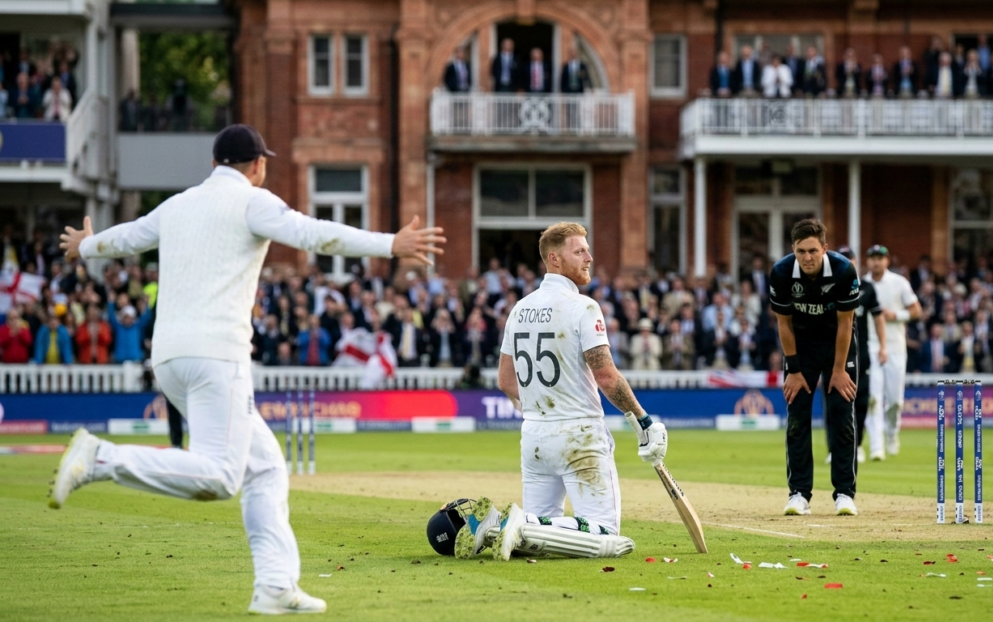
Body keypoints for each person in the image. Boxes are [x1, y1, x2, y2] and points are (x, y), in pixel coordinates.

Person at [50, 123, 445, 615]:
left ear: (214, 163)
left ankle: (276, 585)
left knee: (266, 468)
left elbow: (125, 239)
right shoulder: (252, 202)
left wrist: (86, 245)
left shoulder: (178, 205)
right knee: (220, 477)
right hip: (216, 357)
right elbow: (314, 234)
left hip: (169, 359)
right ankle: (101, 458)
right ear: (258, 165)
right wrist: (390, 244)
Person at [440, 222, 666, 563]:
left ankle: (500, 525)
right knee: (605, 534)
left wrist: (538, 406)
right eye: (580, 251)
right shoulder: (583, 307)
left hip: (534, 436)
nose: (589, 257)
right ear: (555, 259)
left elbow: (505, 380)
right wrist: (644, 421)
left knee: (536, 542)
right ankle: (503, 522)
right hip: (579, 434)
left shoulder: (519, 308)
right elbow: (606, 376)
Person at [769, 218, 860, 517]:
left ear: (824, 248)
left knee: (842, 416)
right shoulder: (781, 272)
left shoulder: (844, 270)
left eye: (812, 251)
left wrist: (839, 370)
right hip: (801, 347)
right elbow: (784, 324)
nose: (807, 258)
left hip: (838, 346)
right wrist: (794, 371)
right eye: (801, 251)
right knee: (797, 419)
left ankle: (844, 494)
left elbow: (846, 323)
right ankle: (799, 494)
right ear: (793, 249)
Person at [825, 247, 886, 466]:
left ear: (855, 262)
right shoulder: (826, 287)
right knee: (833, 402)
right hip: (832, 353)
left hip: (860, 353)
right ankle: (834, 449)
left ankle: (857, 445)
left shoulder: (867, 288)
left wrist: (883, 346)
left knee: (860, 401)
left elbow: (878, 317)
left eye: (849, 260)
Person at [862, 245, 921, 461]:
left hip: (895, 346)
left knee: (895, 401)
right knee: (873, 398)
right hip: (871, 345)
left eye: (880, 258)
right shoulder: (861, 284)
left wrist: (896, 315)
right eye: (872, 258)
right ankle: (876, 446)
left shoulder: (899, 282)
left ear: (887, 261)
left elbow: (916, 310)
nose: (876, 262)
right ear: (867, 261)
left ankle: (891, 432)